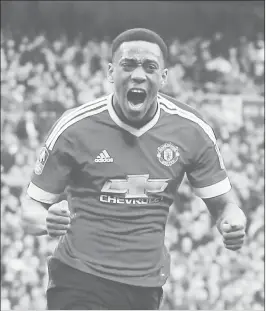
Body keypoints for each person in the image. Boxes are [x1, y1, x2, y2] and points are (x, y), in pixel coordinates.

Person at [22, 28, 247, 310]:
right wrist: (44, 221)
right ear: (111, 72)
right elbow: (30, 209)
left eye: (150, 67)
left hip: (145, 287)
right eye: (128, 65)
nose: (138, 75)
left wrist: (233, 223)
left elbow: (225, 206)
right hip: (79, 277)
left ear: (163, 77)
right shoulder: (74, 128)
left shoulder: (192, 131)